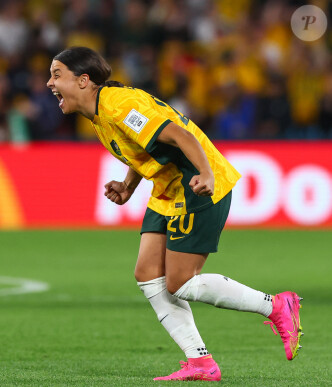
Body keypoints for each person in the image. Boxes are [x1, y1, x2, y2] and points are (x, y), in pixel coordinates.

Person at [46, 47, 303, 381]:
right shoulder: (100, 112)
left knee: (180, 282)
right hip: (167, 188)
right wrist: (127, 186)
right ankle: (200, 362)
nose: (49, 83)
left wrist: (206, 173)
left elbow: (178, 134)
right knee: (147, 274)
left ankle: (276, 306)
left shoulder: (118, 105)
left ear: (83, 81)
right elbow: (142, 148)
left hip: (195, 183)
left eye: (56, 75)